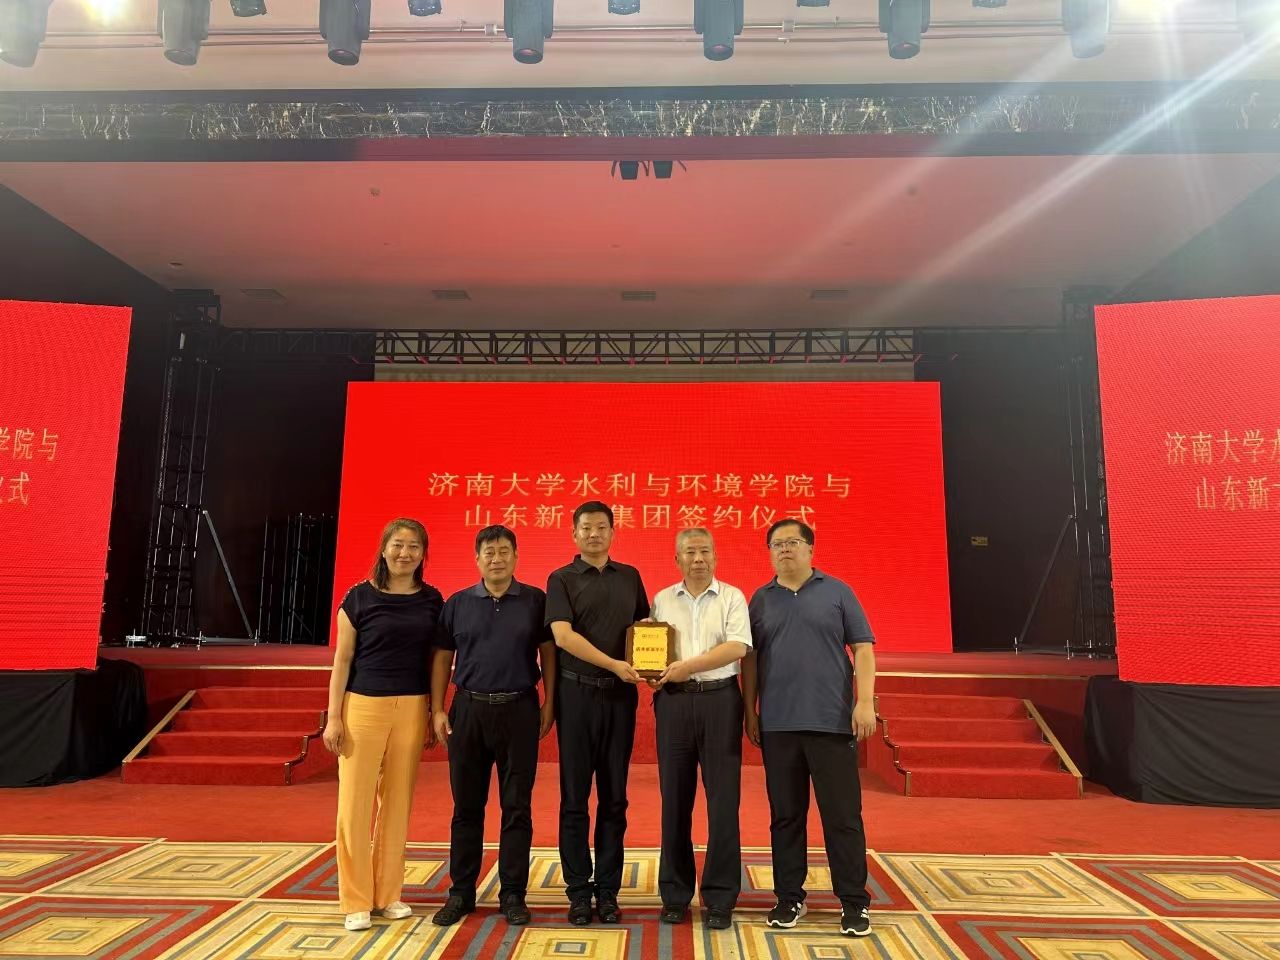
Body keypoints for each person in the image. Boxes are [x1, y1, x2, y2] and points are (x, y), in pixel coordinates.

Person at [741, 519, 877, 938]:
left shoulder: (838, 592)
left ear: (810, 549)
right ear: (769, 553)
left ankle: (853, 901)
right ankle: (789, 898)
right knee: (786, 817)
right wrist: (750, 710)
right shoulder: (760, 600)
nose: (784, 549)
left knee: (842, 817)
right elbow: (750, 659)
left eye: (792, 542)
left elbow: (863, 648)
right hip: (779, 725)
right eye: (776, 544)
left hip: (831, 723)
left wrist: (865, 701)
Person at [430, 525, 556, 928]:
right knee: (466, 807)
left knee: (517, 806)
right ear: (477, 559)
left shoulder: (535, 601)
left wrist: (549, 702)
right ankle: (461, 892)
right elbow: (442, 656)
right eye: (489, 552)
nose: (497, 559)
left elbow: (549, 653)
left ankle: (513, 893)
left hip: (519, 709)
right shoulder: (458, 603)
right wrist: (437, 708)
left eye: (504, 551)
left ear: (516, 557)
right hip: (468, 710)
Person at [323, 518, 443, 932]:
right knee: (354, 805)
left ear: (423, 554)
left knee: (397, 804)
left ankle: (388, 893)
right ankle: (355, 899)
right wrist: (333, 716)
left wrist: (433, 710)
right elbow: (342, 660)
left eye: (413, 546)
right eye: (398, 544)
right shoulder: (358, 597)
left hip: (412, 706)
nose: (404, 553)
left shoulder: (432, 600)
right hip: (363, 707)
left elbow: (436, 660)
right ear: (384, 548)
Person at [545, 501, 650, 926]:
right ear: (574, 534)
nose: (594, 534)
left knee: (615, 798)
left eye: (602, 527)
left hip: (620, 699)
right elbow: (562, 636)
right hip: (576, 696)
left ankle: (607, 891)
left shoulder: (630, 576)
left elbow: (645, 631)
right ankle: (577, 892)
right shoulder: (561, 579)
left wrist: (654, 667)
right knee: (574, 799)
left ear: (613, 532)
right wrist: (612, 664)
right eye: (586, 528)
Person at [648, 528, 751, 930]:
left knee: (723, 802)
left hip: (720, 701)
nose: (698, 559)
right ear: (677, 559)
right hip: (673, 704)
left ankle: (720, 897)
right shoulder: (662, 600)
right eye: (689, 552)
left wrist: (686, 667)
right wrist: (651, 672)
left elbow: (737, 648)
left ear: (715, 557)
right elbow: (652, 649)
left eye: (705, 551)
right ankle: (675, 894)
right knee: (674, 800)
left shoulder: (732, 597)